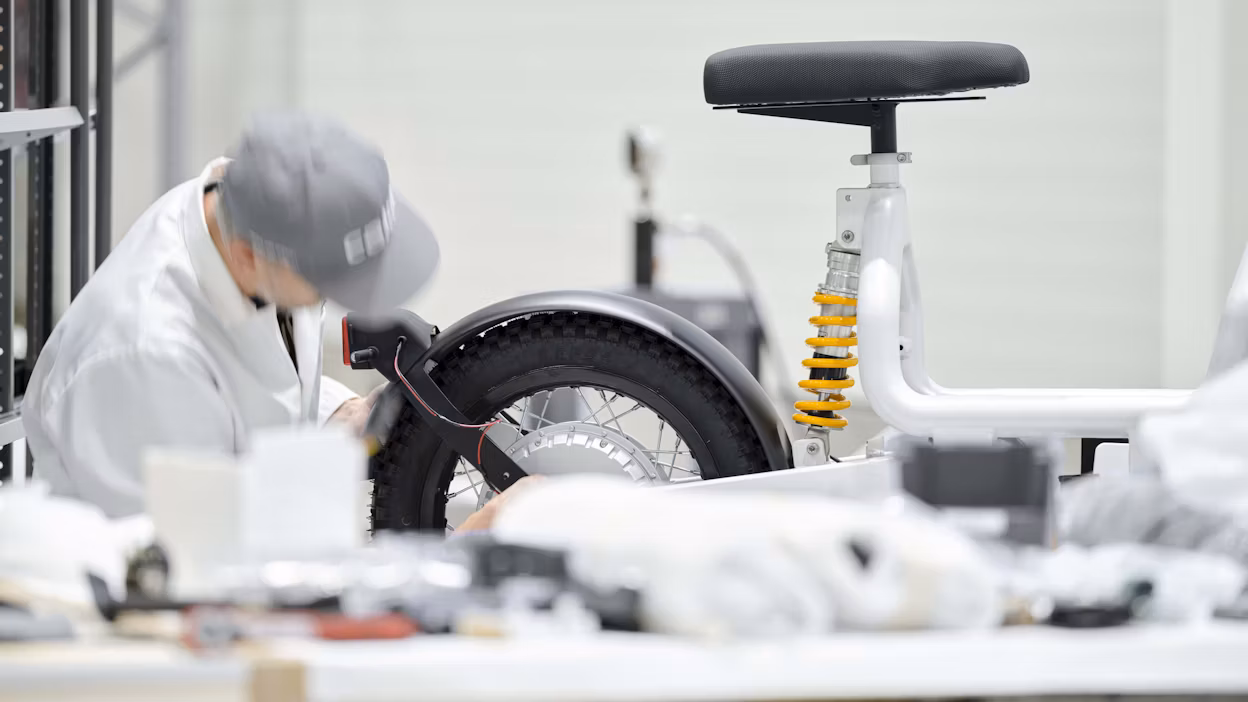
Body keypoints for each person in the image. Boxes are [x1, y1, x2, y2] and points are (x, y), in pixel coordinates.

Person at [24, 112, 447, 519]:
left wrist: (343, 416)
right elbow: (184, 564)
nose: (333, 298)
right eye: (327, 285)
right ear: (249, 257)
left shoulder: (247, 215)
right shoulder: (144, 356)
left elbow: (252, 381)